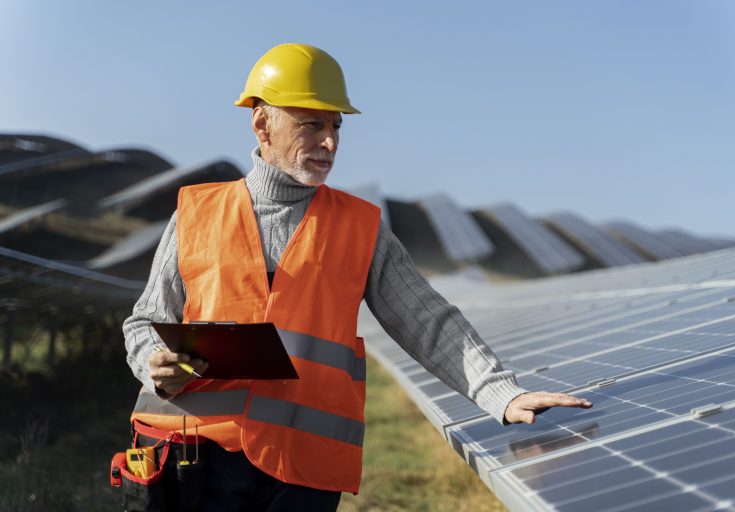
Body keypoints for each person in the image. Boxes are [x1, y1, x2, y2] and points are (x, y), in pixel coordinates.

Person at [123, 42, 592, 511]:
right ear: (262, 123)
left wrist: (502, 395)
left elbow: (427, 320)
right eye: (313, 125)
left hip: (302, 476)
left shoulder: (360, 227)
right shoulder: (197, 213)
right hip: (199, 460)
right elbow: (144, 322)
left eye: (335, 126)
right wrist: (155, 363)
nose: (330, 142)